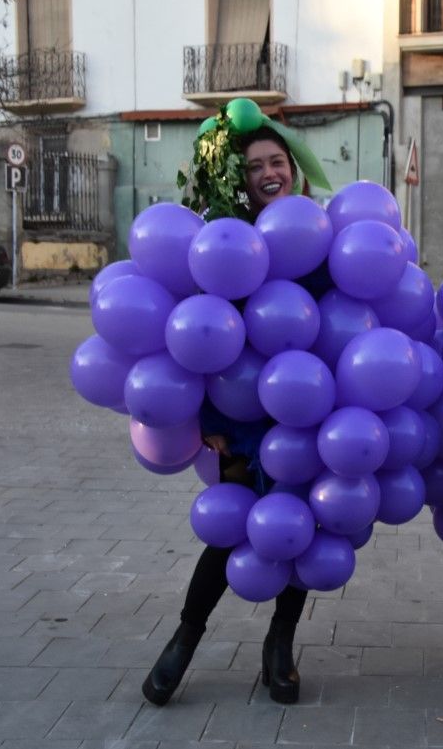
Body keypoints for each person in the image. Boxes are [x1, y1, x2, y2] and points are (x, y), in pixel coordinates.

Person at [143, 110, 332, 707]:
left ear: (293, 171)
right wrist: (214, 427)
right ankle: (184, 638)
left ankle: (279, 646)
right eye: (255, 167)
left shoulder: (318, 236)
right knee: (227, 530)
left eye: (278, 162)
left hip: (305, 409)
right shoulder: (221, 239)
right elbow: (200, 339)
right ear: (240, 181)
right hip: (241, 417)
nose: (269, 172)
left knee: (294, 528)